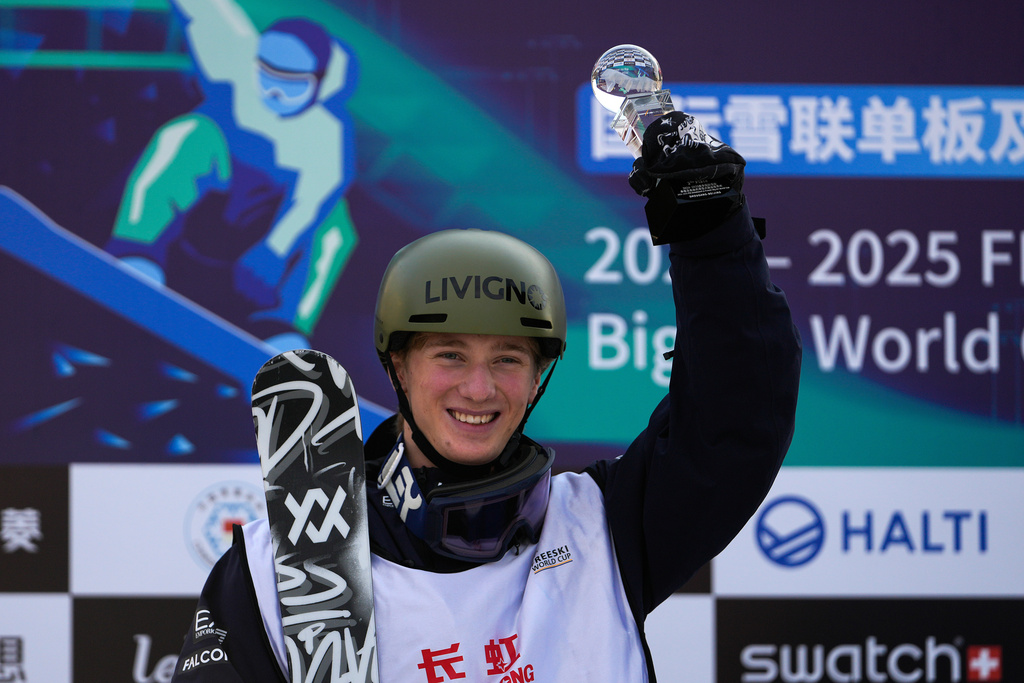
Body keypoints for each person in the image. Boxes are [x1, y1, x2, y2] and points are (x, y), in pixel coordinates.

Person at [169, 110, 802, 682]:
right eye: (450, 356)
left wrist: (713, 239)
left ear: (538, 379)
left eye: (508, 360)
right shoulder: (277, 565)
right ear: (397, 366)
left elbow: (737, 414)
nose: (480, 388)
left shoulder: (604, 527)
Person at [107, 0, 359, 352]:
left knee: (335, 225)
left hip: (261, 228)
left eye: (292, 84)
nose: (274, 92)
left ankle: (283, 325)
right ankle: (136, 247)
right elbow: (202, 8)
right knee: (189, 134)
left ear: (319, 84)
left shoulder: (327, 134)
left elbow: (313, 200)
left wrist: (273, 249)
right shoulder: (233, 57)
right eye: (268, 74)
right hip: (212, 196)